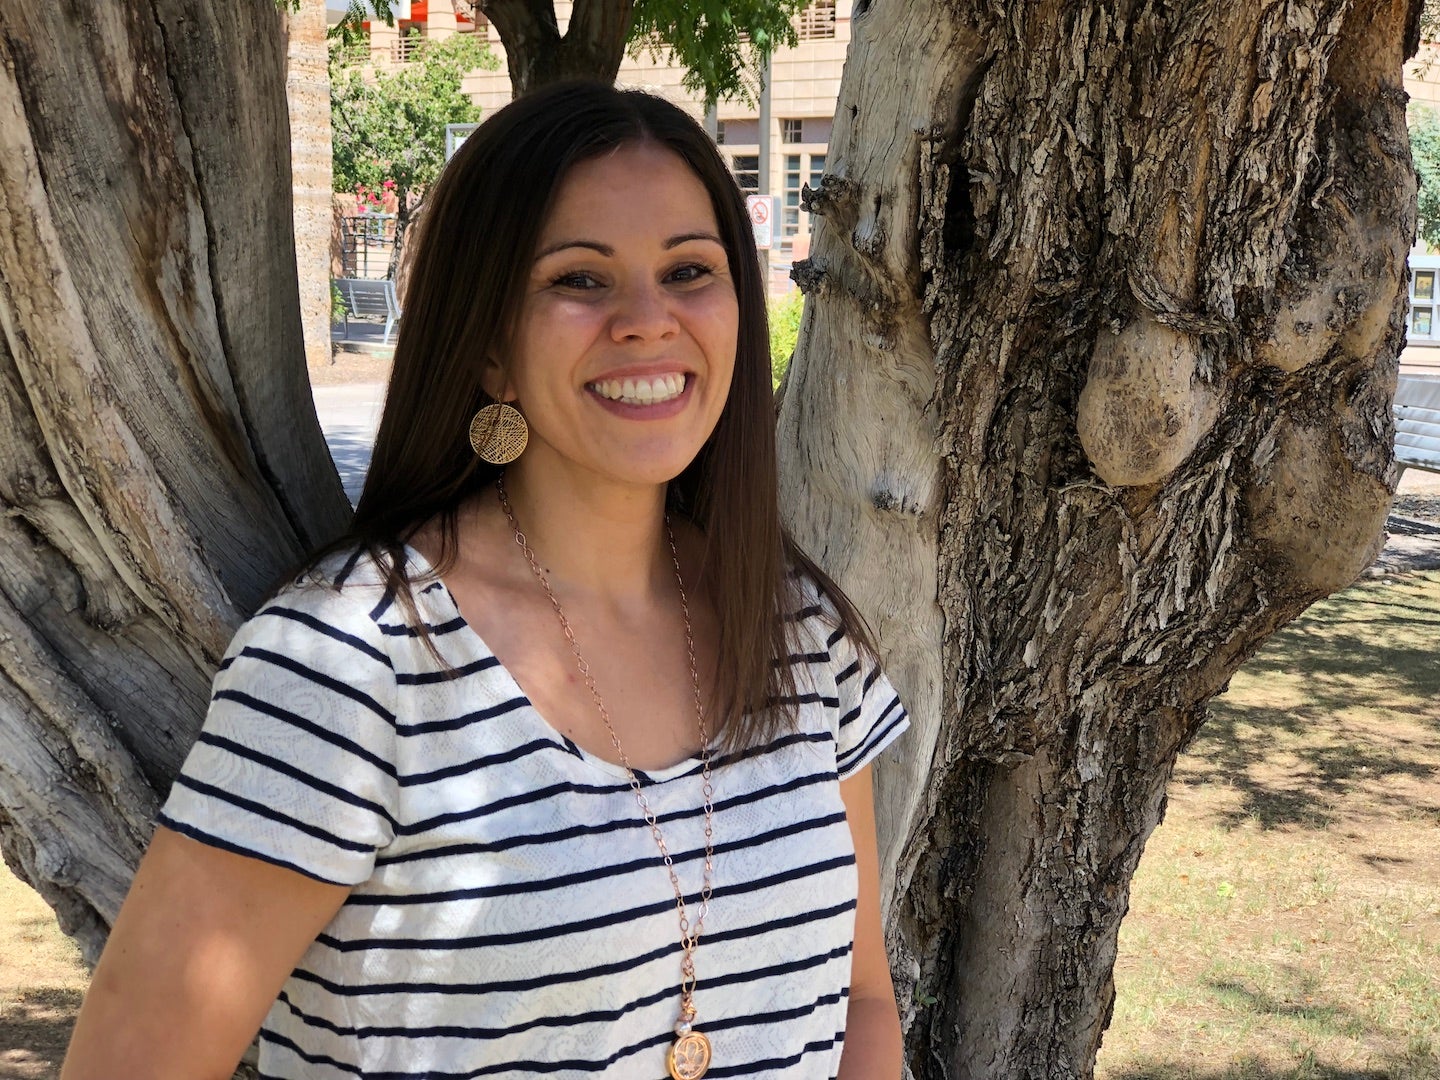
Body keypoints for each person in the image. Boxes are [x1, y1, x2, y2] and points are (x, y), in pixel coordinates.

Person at [61, 81, 908, 1080]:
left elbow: (861, 1004)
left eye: (689, 269)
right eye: (580, 280)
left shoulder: (801, 632)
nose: (649, 321)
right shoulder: (348, 665)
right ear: (489, 345)